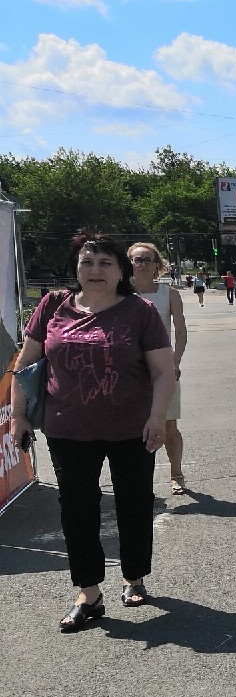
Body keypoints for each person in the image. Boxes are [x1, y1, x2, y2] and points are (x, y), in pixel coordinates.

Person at [7, 233, 175, 629]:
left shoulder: (140, 312)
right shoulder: (52, 306)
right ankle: (89, 592)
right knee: (76, 510)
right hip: (68, 428)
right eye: (87, 262)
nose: (96, 270)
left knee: (134, 503)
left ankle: (134, 576)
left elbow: (164, 370)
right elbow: (25, 363)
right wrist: (18, 415)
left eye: (105, 263)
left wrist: (157, 418)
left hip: (131, 427)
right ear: (75, 269)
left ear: (121, 271)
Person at [127, 243, 190, 494]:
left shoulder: (169, 294)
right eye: (136, 260)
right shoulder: (120, 294)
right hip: (128, 370)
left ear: (156, 265)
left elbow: (181, 330)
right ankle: (141, 483)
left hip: (162, 369)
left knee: (168, 426)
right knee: (132, 429)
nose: (141, 264)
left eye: (146, 260)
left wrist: (175, 361)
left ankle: (176, 473)